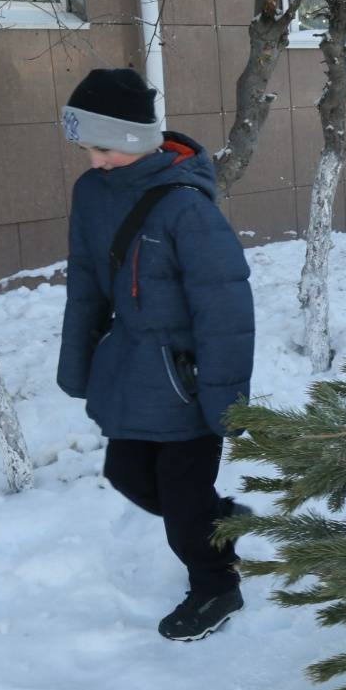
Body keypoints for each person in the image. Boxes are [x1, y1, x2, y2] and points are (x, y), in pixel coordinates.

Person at [56, 68, 256, 642]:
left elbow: (226, 310)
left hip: (186, 380)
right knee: (126, 474)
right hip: (131, 370)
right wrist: (77, 363)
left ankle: (217, 585)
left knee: (183, 506)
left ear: (135, 139)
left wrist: (226, 401)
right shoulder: (92, 193)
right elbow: (87, 283)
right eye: (88, 149)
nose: (95, 161)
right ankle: (219, 522)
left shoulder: (186, 208)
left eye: (104, 148)